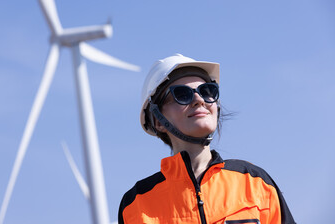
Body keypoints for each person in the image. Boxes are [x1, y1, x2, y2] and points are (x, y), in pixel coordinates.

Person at [118, 54, 295, 224]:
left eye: (207, 91)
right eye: (182, 94)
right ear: (158, 120)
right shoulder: (135, 204)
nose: (198, 99)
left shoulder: (255, 182)